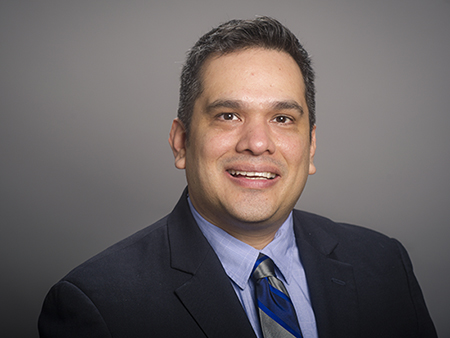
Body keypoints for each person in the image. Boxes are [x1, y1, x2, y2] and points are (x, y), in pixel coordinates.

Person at [38, 17, 437, 338]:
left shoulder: (384, 264)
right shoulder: (98, 304)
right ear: (181, 142)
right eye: (228, 115)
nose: (258, 143)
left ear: (310, 147)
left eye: (282, 119)